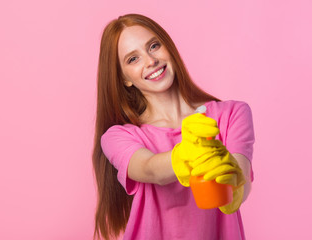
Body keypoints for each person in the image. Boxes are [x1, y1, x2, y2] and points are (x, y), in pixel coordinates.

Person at [92, 13, 255, 240]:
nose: (150, 61)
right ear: (124, 79)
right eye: (133, 59)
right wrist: (186, 156)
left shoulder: (232, 114)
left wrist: (233, 184)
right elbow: (149, 168)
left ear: (168, 47)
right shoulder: (118, 137)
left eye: (154, 46)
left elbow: (242, 183)